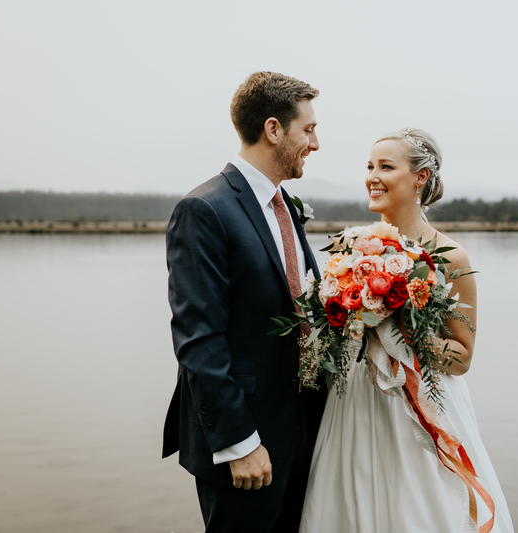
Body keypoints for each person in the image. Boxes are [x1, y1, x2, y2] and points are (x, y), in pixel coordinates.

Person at [299, 128, 514, 533]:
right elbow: (338, 335)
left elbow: (462, 357)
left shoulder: (452, 257)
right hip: (358, 401)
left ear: (420, 178)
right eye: (369, 166)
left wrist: (399, 325)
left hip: (422, 401)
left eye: (385, 166)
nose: (372, 176)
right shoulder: (348, 248)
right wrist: (351, 313)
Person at [162, 71, 327, 533]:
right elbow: (199, 341)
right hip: (245, 449)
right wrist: (240, 443)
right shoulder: (205, 209)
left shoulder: (285, 206)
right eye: (308, 130)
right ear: (274, 130)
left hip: (302, 438)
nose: (315, 143)